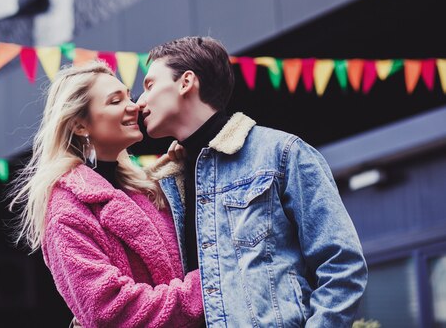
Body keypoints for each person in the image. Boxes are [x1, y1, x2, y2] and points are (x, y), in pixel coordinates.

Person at [136, 36, 368, 327]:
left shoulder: (282, 153)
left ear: (186, 82)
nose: (140, 101)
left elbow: (342, 264)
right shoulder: (166, 185)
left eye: (149, 85)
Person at [9, 61, 204, 328]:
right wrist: (208, 289)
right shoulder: (67, 209)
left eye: (129, 96)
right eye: (115, 101)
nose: (134, 106)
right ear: (79, 126)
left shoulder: (145, 188)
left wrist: (185, 174)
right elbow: (109, 310)